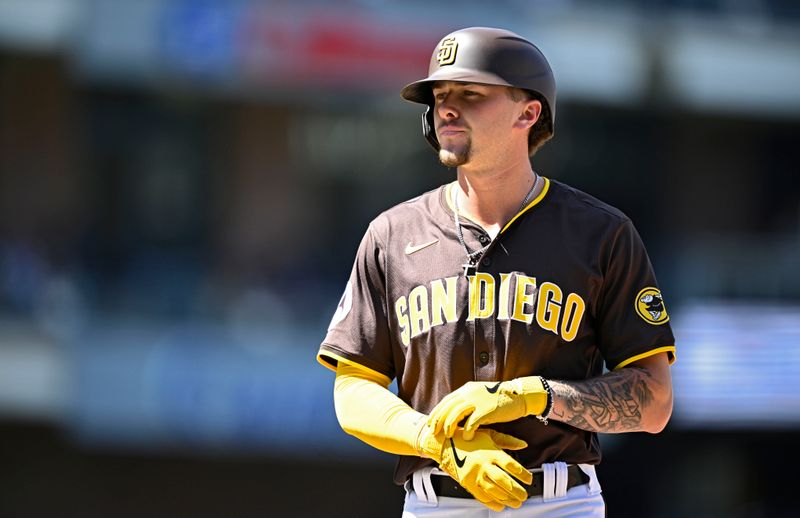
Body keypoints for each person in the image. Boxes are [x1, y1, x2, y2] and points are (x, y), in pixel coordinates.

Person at [316, 26, 676, 516]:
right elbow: (352, 389)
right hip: (434, 500)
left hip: (558, 501)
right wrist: (434, 440)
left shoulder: (601, 234)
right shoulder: (391, 234)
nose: (446, 107)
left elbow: (653, 401)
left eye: (471, 94)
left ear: (528, 113)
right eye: (440, 96)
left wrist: (535, 396)